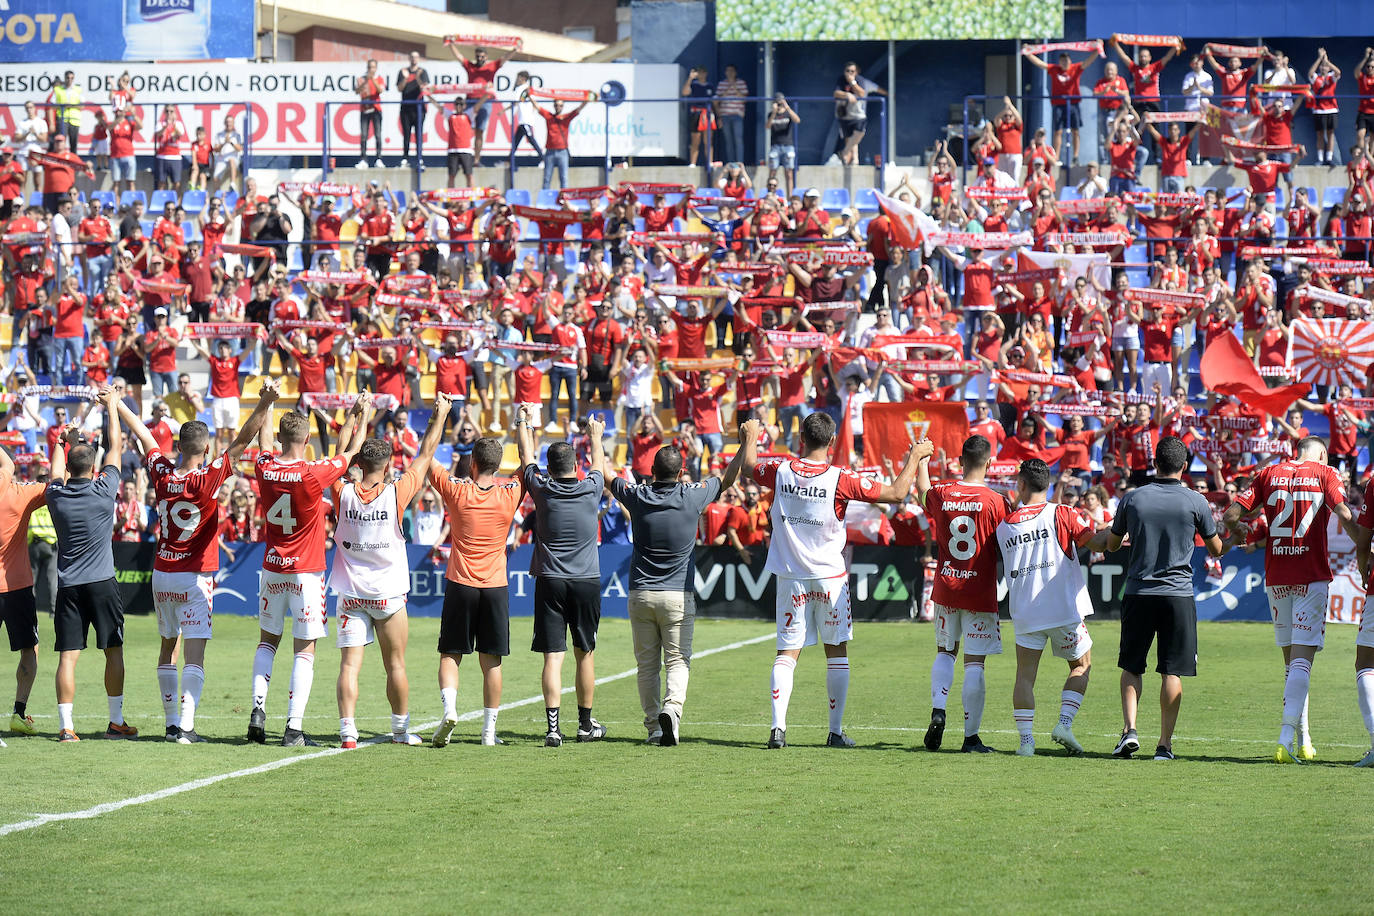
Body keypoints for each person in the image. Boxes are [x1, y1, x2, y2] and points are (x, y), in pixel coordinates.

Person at [744, 412, 928, 749]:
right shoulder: (840, 478)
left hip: (791, 576)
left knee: (787, 653)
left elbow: (748, 466)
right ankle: (835, 731)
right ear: (831, 442)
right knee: (837, 653)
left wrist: (752, 435)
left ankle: (777, 729)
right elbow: (897, 493)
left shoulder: (781, 470)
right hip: (830, 578)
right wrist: (915, 456)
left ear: (801, 438)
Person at [116, 380, 279, 743]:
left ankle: (172, 723)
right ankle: (186, 729)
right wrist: (266, 401)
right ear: (205, 448)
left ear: (177, 446)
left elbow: (144, 436)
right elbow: (242, 441)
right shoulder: (207, 477)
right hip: (195, 577)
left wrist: (118, 403)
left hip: (162, 573)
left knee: (166, 646)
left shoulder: (161, 473)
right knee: (194, 653)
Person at [613, 419, 761, 746]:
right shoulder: (693, 496)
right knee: (678, 660)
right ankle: (672, 709)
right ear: (681, 474)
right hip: (678, 594)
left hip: (640, 592)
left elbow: (604, 474)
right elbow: (727, 478)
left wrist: (597, 439)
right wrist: (744, 442)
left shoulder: (638, 495)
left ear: (651, 471)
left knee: (647, 666)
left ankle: (654, 727)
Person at [247, 394, 372, 747]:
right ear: (305, 440)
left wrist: (267, 405)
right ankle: (293, 727)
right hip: (306, 571)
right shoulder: (313, 473)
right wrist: (362, 416)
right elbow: (352, 452)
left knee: (267, 640)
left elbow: (263, 437)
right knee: (305, 649)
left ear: (281, 439)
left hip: (272, 567)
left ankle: (257, 710)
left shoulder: (264, 465)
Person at [1224, 436, 1356, 764]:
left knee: (1293, 665)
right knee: (1302, 662)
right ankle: (1285, 737)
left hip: (1277, 576)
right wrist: (1363, 544)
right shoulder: (1325, 473)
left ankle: (1304, 738)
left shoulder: (1269, 472)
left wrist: (1239, 531)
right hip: (1310, 574)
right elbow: (1343, 511)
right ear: (1322, 454)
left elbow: (1230, 516)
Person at [331, 395, 451, 749]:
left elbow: (338, 455)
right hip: (386, 595)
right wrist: (439, 415)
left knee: (349, 667)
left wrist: (359, 416)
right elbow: (426, 453)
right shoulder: (396, 492)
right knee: (395, 665)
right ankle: (400, 731)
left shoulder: (342, 491)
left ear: (359, 463)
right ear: (387, 465)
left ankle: (347, 732)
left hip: (351, 594)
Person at [1105, 436, 1225, 760]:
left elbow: (1113, 545)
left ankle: (1129, 731)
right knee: (1172, 671)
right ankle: (1164, 745)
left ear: (1154, 462)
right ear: (1184, 466)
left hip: (1139, 592)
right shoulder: (1196, 501)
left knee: (1132, 667)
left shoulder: (1133, 499)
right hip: (1178, 595)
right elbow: (1216, 549)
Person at [998, 458, 1112, 757]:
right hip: (1062, 609)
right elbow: (1097, 544)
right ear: (1048, 485)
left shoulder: (1005, 526)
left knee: (1024, 676)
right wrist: (1117, 530)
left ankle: (1025, 743)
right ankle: (1064, 723)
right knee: (1081, 665)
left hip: (1024, 611)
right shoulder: (1062, 513)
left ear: (1020, 485)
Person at [515, 403, 607, 747]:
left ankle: (553, 729)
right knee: (585, 652)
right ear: (576, 466)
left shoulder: (542, 488)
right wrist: (594, 436)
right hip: (585, 581)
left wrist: (524, 421)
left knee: (553, 656)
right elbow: (599, 463)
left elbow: (526, 458)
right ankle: (585, 725)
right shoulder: (591, 487)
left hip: (550, 581)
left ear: (549, 468)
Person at [428, 431, 526, 748]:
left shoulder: (457, 491)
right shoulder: (510, 493)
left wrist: (437, 419)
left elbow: (426, 459)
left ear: (472, 463)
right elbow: (530, 463)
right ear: (497, 466)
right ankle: (488, 732)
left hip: (460, 583)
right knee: (492, 661)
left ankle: (450, 711)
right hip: (495, 586)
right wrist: (525, 424)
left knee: (450, 654)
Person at [47, 387, 134, 742]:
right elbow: (116, 446)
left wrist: (60, 441)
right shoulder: (104, 491)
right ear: (93, 467)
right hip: (102, 582)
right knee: (112, 651)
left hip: (68, 586)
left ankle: (67, 728)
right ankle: (116, 722)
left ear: (68, 467)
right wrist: (112, 405)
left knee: (68, 658)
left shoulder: (56, 497)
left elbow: (54, 472)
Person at [914, 434, 1009, 754]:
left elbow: (922, 492)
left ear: (959, 461)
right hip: (979, 592)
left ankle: (939, 710)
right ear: (990, 463)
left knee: (945, 652)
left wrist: (923, 462)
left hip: (946, 587)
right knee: (975, 664)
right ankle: (970, 738)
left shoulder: (943, 493)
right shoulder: (996, 501)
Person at [0, 446, 45, 741]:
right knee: (30, 649)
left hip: (15, 587)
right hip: (16, 586)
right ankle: (18, 713)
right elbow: (59, 483)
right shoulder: (18, 493)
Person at [1023, 42, 1102, 166]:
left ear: (1070, 61)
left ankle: (1075, 157)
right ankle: (1057, 157)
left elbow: (1089, 61)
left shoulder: (1076, 68)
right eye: (1062, 60)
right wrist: (1027, 53)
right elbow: (1040, 63)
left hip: (1073, 104)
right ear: (1059, 62)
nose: (1064, 63)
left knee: (1075, 131)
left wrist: (1098, 50)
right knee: (1058, 131)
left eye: (1066, 60)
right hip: (1059, 104)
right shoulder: (1054, 69)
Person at [833, 61, 886, 166]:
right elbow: (836, 93)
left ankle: (846, 154)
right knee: (849, 138)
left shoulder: (860, 80)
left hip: (858, 114)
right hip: (844, 114)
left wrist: (852, 82)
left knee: (859, 134)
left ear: (856, 72)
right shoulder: (841, 80)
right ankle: (853, 160)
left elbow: (862, 93)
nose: (849, 73)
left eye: (852, 71)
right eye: (847, 71)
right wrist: (847, 94)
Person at [534, 95, 588, 191]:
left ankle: (564, 199)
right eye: (556, 105)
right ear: (554, 106)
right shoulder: (549, 116)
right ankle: (545, 199)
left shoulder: (566, 117)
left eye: (560, 105)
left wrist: (588, 99)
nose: (558, 107)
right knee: (547, 178)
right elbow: (537, 107)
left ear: (563, 107)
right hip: (550, 152)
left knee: (564, 178)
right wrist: (529, 96)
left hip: (562, 152)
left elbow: (578, 109)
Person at [397, 50, 430, 169]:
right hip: (406, 108)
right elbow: (399, 88)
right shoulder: (403, 71)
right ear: (409, 58)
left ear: (419, 59)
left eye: (416, 57)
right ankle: (405, 158)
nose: (414, 59)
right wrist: (405, 78)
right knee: (406, 134)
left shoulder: (422, 72)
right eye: (412, 57)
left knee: (418, 134)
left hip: (419, 108)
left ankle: (419, 159)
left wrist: (417, 77)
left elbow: (425, 88)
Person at [766, 93, 801, 197]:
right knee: (772, 171)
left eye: (781, 102)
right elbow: (767, 126)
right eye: (777, 102)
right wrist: (774, 112)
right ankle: (770, 194)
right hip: (775, 146)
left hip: (788, 145)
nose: (779, 104)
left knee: (789, 172)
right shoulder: (771, 114)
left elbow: (797, 120)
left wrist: (787, 108)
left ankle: (789, 196)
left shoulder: (787, 113)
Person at [715, 64, 749, 165]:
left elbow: (744, 99)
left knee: (738, 139)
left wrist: (734, 87)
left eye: (731, 71)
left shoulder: (741, 83)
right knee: (728, 141)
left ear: (735, 72)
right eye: (727, 71)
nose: (729, 73)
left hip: (737, 115)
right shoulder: (722, 84)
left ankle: (739, 163)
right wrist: (719, 117)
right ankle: (731, 163)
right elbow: (717, 101)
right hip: (725, 115)